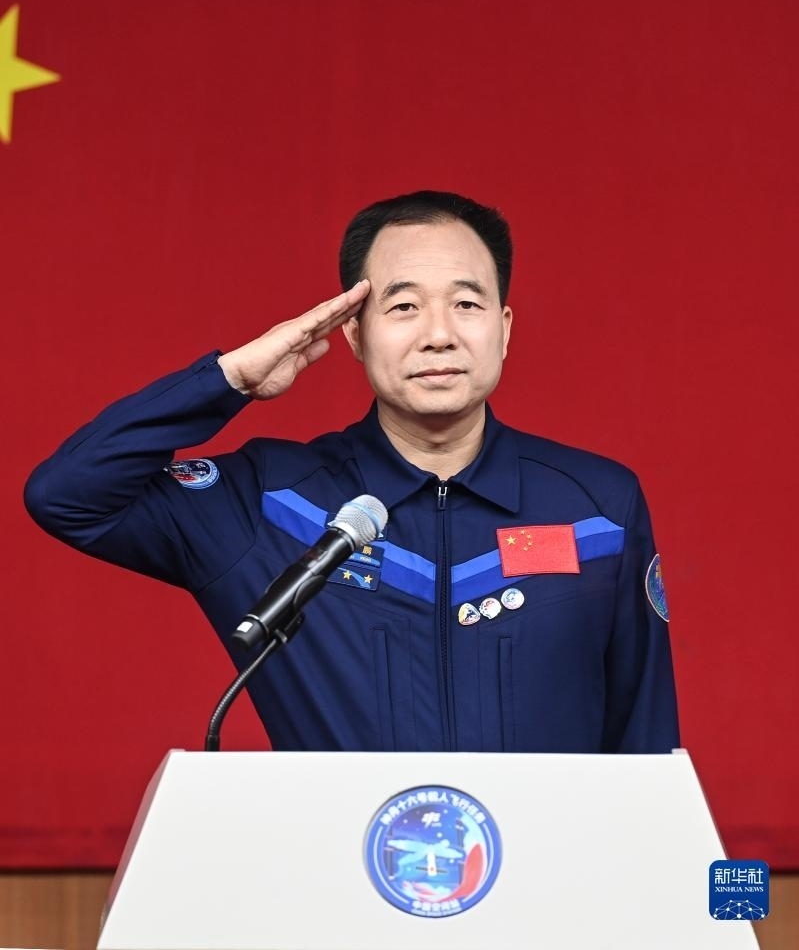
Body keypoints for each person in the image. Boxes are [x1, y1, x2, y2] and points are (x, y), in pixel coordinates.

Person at [24, 190, 679, 753]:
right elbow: (69, 496)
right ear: (354, 334)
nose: (439, 334)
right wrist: (229, 380)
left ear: (503, 329)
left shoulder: (598, 508)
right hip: (339, 864)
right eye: (403, 307)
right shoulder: (273, 503)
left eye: (466, 304)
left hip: (548, 864)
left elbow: (647, 747)